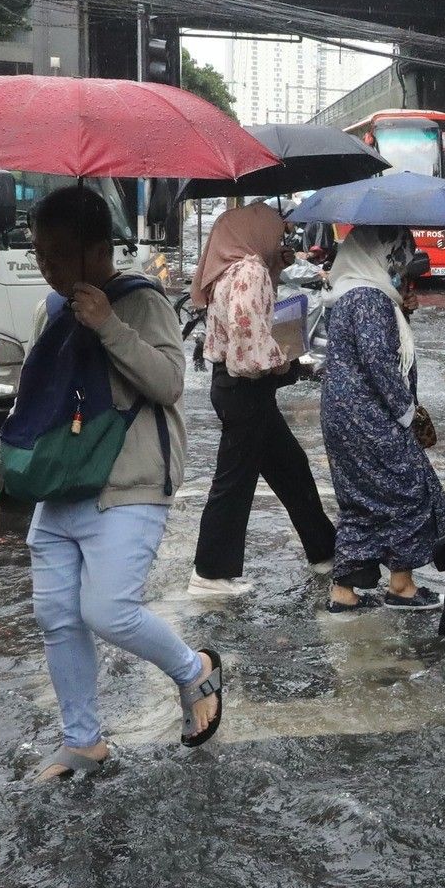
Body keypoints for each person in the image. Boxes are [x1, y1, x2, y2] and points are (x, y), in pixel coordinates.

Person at [0, 187, 222, 779]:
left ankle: (196, 673)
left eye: (58, 254)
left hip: (127, 485)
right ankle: (82, 739)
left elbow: (167, 383)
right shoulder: (51, 310)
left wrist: (108, 325)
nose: (46, 265)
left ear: (97, 249)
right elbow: (34, 403)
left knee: (108, 611)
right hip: (62, 487)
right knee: (57, 614)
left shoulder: (143, 302)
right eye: (39, 252)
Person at [188, 203, 336, 597]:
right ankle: (210, 573)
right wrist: (288, 363)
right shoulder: (250, 272)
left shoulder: (236, 268)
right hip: (245, 389)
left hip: (235, 389)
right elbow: (249, 351)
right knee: (234, 482)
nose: (279, 238)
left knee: (291, 468)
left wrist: (277, 265)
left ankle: (325, 551)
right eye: (275, 232)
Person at [319, 226, 445, 613]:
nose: (401, 271)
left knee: (361, 501)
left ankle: (344, 592)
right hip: (369, 418)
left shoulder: (349, 294)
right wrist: (408, 412)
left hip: (345, 417)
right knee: (409, 490)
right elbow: (379, 364)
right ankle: (401, 586)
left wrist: (401, 310)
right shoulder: (370, 299)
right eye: (397, 261)